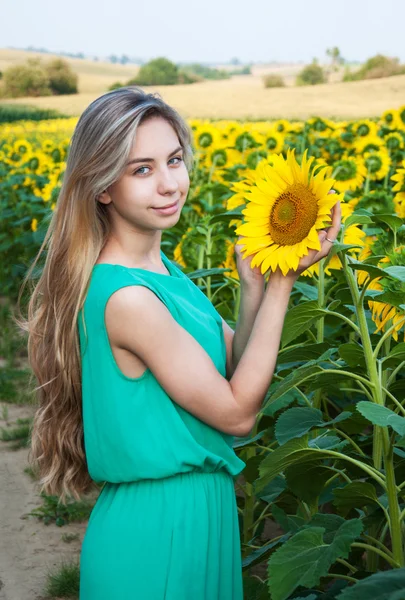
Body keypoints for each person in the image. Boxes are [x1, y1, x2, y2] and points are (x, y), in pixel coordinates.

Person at [18, 86, 342, 599]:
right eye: (141, 169)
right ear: (103, 187)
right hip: (156, 533)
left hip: (197, 520)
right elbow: (237, 413)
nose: (169, 183)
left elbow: (233, 366)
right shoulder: (128, 299)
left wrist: (256, 286)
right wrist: (285, 284)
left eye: (173, 160)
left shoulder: (163, 273)